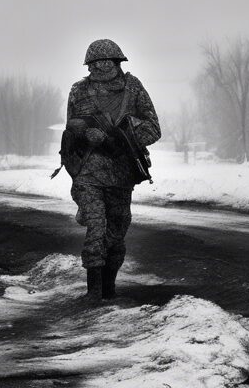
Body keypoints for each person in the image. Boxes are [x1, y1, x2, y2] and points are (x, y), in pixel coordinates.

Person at [59, 39, 160, 301]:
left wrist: (120, 134)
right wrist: (84, 135)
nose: (103, 66)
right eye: (97, 62)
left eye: (108, 61)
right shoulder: (78, 91)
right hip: (87, 175)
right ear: (90, 65)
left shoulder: (132, 88)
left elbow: (153, 129)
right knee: (96, 228)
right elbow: (69, 132)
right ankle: (93, 293)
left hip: (121, 174)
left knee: (116, 232)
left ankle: (108, 290)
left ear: (117, 63)